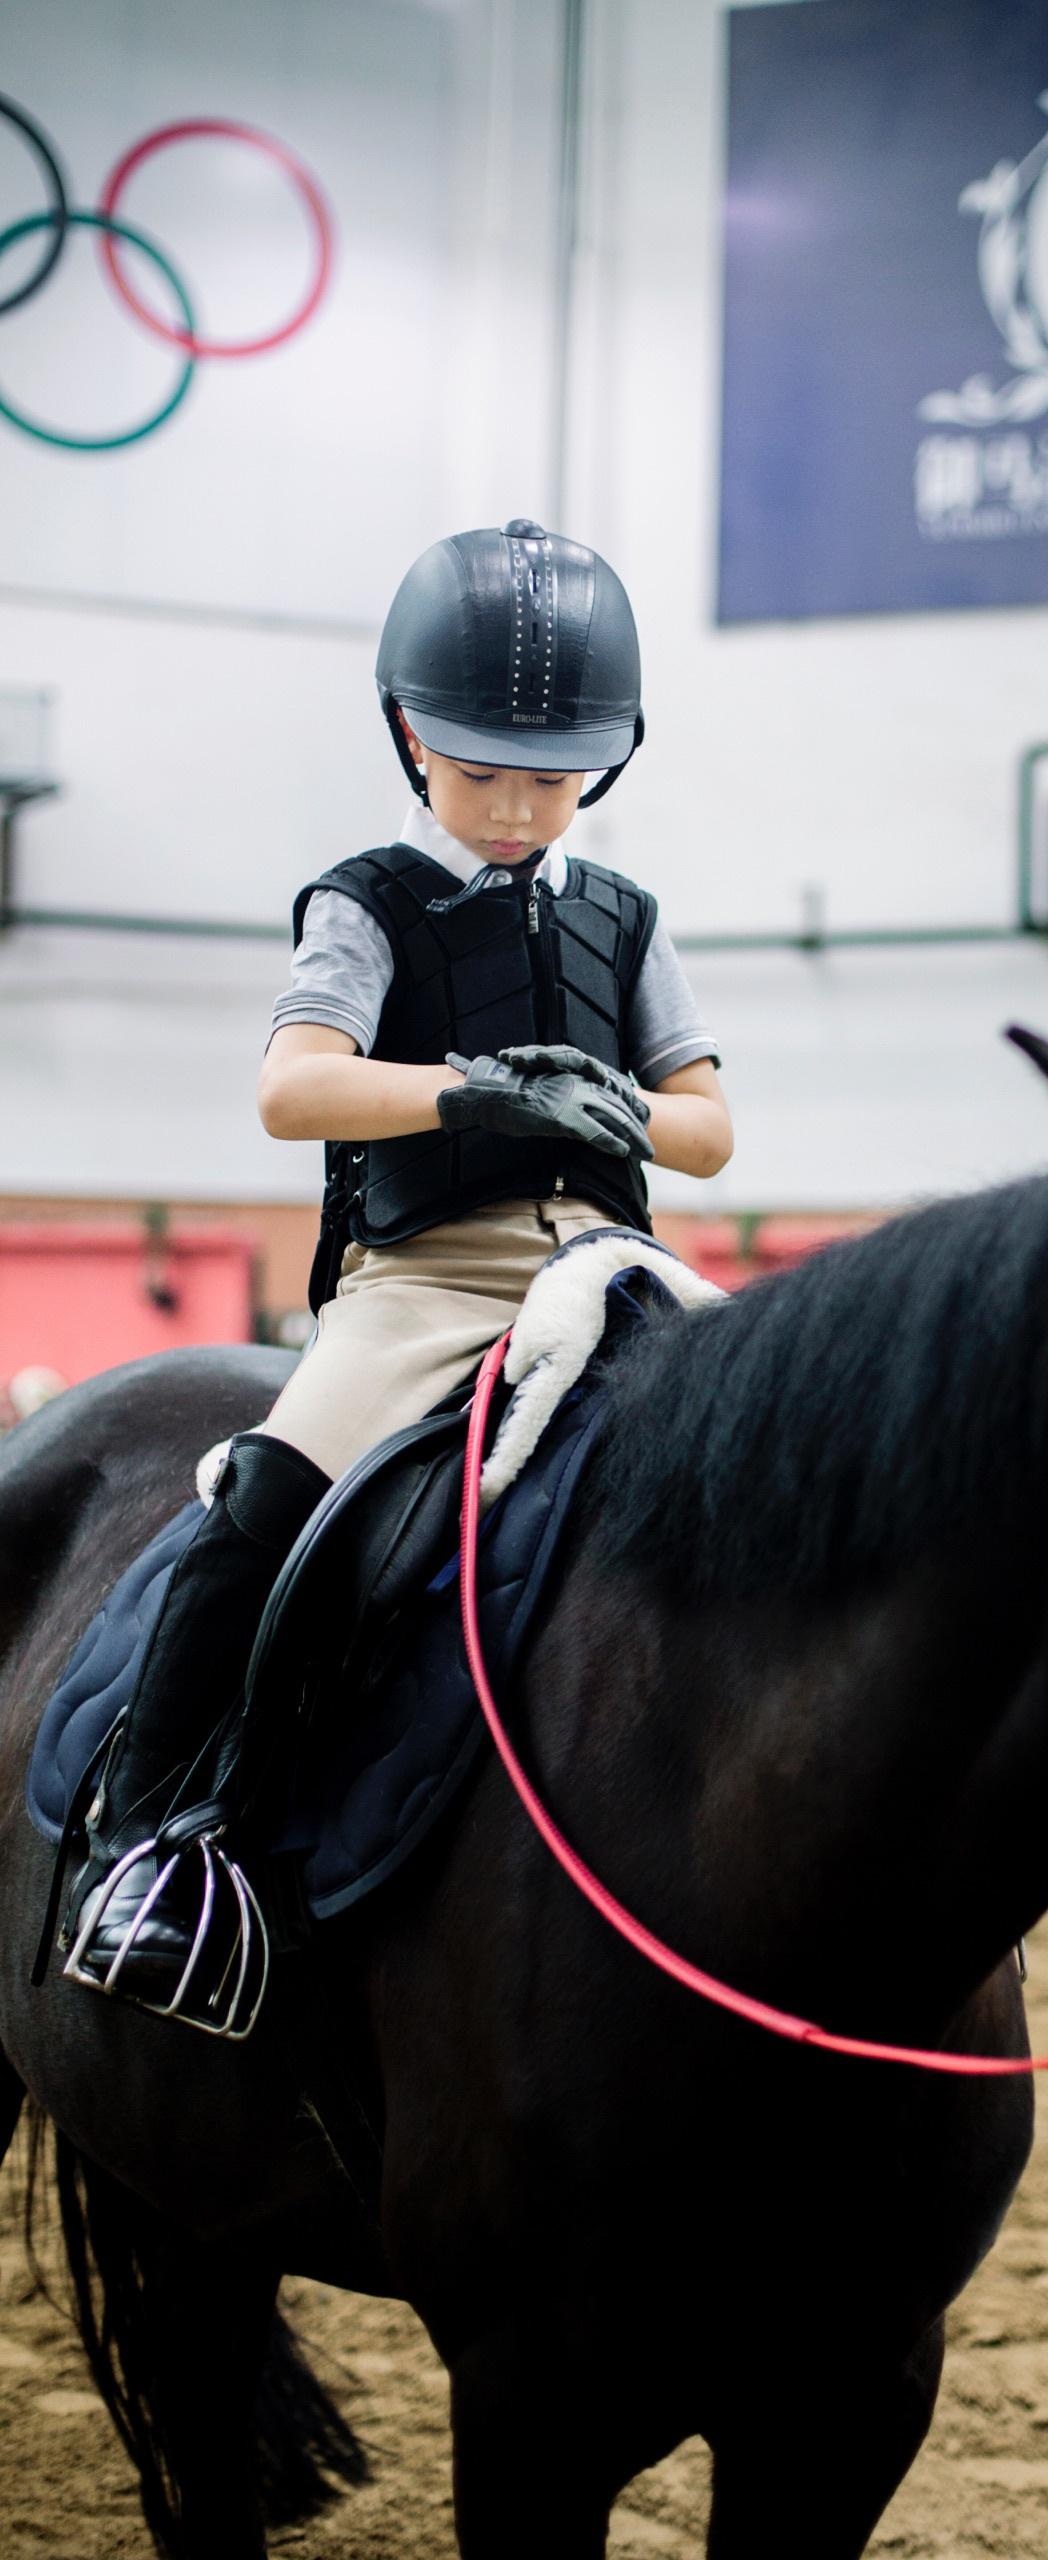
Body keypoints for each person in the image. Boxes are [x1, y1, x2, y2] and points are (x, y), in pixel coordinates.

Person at [62, 519, 731, 2034]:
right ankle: (154, 1845)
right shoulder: (367, 899)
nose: (513, 806)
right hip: (425, 1284)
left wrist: (618, 1106)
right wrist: (474, 1096)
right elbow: (295, 1090)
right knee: (269, 1503)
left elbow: (712, 1131)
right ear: (409, 740)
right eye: (479, 770)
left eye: (550, 778)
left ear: (603, 768)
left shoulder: (627, 920)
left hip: (611, 1268)